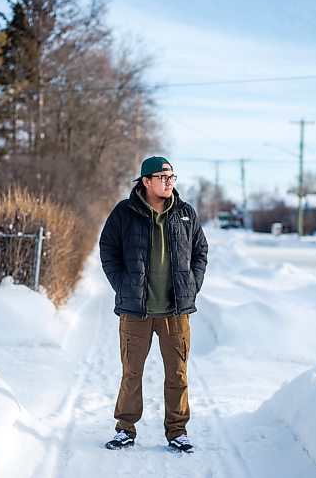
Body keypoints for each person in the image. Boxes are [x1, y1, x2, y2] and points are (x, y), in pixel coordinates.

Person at [99, 156, 208, 453]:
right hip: (136, 311)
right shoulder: (125, 212)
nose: (169, 181)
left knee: (178, 374)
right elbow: (108, 248)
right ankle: (125, 429)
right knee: (131, 372)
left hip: (176, 311)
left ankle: (177, 431)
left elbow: (200, 250)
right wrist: (122, 285)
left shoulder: (185, 213)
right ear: (145, 181)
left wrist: (192, 285)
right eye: (163, 177)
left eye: (172, 176)